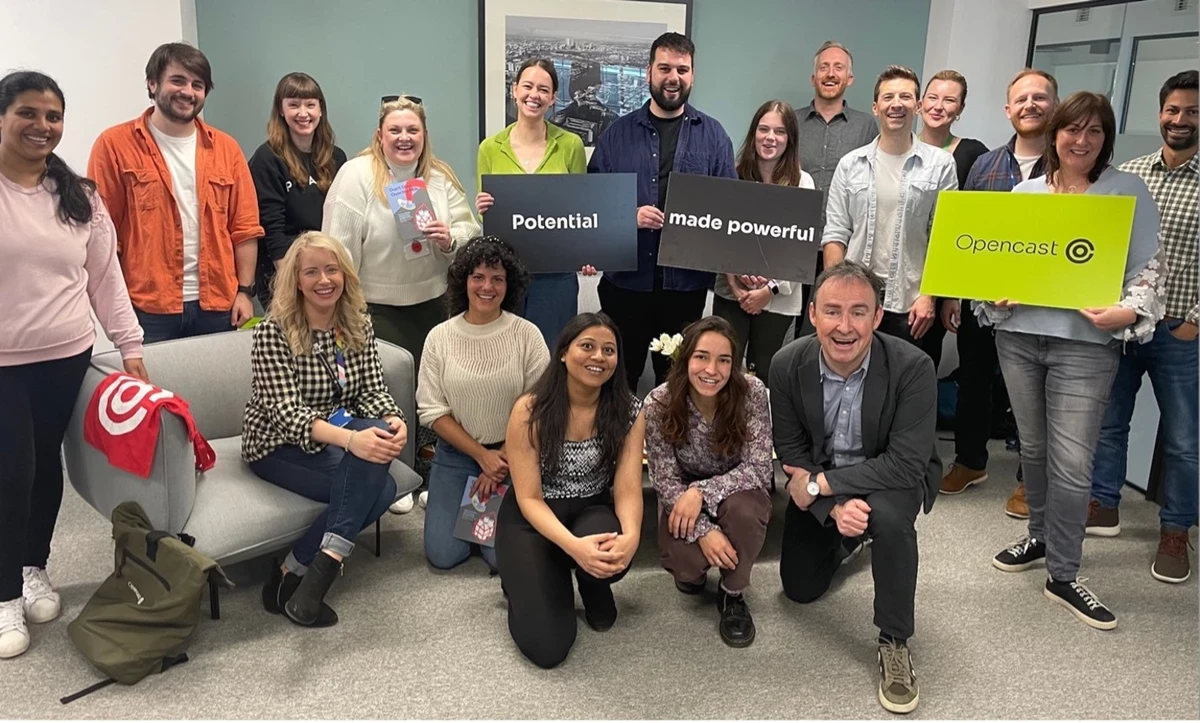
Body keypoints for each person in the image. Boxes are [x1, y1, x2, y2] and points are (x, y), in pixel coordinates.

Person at [984, 92, 1165, 631]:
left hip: (1085, 345)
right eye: (1072, 130)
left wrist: (1128, 311)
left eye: (1093, 131)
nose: (1081, 141)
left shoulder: (1126, 192)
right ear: (1055, 134)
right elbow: (1000, 263)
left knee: (1071, 461)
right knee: (1034, 449)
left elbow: (1150, 271)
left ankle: (1064, 573)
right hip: (1019, 338)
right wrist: (994, 292)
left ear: (1105, 139)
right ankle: (1040, 535)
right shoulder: (1025, 192)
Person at [0, 71, 147, 660]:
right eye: (28, 114)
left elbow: (106, 279)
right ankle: (5, 591)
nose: (42, 126)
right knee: (10, 472)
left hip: (66, 355)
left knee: (44, 471)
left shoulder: (79, 196)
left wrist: (129, 347)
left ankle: (34, 566)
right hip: (4, 362)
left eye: (53, 116)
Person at [769, 261, 940, 715]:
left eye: (859, 312)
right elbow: (789, 448)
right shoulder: (786, 364)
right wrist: (835, 506)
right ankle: (849, 540)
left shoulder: (913, 367)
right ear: (812, 314)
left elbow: (906, 464)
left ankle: (895, 641)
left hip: (893, 476)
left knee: (885, 517)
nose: (845, 327)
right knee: (800, 589)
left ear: (878, 317)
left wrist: (825, 485)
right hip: (825, 479)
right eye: (833, 312)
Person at [242, 231, 407, 628]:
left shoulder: (356, 323)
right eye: (311, 271)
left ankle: (294, 567)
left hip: (337, 431)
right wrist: (352, 439)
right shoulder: (273, 331)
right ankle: (316, 571)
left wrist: (393, 420)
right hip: (276, 443)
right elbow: (286, 413)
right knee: (378, 486)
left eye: (331, 269)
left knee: (380, 475)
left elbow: (372, 389)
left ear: (345, 274)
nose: (324, 280)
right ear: (295, 280)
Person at [323, 95, 480, 513]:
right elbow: (336, 251)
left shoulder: (440, 177)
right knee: (388, 394)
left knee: (433, 393)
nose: (404, 138)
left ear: (424, 135)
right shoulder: (356, 177)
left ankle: (431, 471)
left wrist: (450, 239)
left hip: (434, 302)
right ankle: (395, 475)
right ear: (380, 135)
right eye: (395, 130)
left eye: (413, 130)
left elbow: (471, 229)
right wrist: (343, 311)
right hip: (375, 305)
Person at [1087, 70, 1198, 584]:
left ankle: (1176, 530)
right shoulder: (1129, 175)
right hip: (1125, 326)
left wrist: (1196, 321)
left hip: (1181, 328)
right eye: (1173, 110)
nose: (1180, 120)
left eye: (1192, 111)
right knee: (1110, 423)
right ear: (1160, 113)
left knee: (1183, 439)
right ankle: (1103, 503)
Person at [938, 68, 1060, 517]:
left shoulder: (1068, 166)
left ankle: (1032, 481)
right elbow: (964, 235)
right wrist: (953, 294)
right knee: (973, 380)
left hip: (1041, 307)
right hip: (981, 301)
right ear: (1008, 110)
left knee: (1035, 391)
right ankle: (970, 461)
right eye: (1020, 99)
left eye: (1039, 98)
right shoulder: (985, 164)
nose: (1030, 105)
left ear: (1054, 105)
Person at [587, 32, 736, 394]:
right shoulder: (616, 134)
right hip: (626, 282)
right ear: (649, 71)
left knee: (678, 383)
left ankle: (668, 450)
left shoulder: (714, 137)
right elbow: (592, 204)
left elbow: (727, 210)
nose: (674, 77)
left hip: (684, 286)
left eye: (682, 70)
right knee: (620, 378)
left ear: (693, 75)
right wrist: (629, 216)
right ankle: (620, 447)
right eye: (665, 68)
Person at [496, 313, 645, 669]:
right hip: (533, 517)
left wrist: (633, 537)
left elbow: (627, 488)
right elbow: (529, 497)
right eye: (587, 346)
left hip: (590, 511)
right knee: (548, 648)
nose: (598, 357)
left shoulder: (629, 410)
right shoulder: (529, 410)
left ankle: (590, 582)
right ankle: (531, 579)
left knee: (612, 551)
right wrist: (574, 547)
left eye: (609, 350)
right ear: (563, 352)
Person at [88, 42, 263, 343]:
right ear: (152, 83)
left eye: (198, 85)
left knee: (216, 390)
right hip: (148, 307)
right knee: (154, 390)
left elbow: (244, 229)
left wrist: (245, 292)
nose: (188, 92)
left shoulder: (226, 149)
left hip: (218, 304)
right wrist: (116, 304)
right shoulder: (114, 145)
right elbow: (104, 235)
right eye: (178, 80)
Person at [418, 237, 548, 571]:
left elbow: (540, 405)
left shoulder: (527, 335)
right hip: (456, 455)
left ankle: (476, 514)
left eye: (497, 278)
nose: (487, 286)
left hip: (513, 454)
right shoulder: (439, 337)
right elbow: (432, 411)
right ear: (464, 280)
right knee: (444, 555)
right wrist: (482, 456)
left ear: (510, 284)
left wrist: (500, 459)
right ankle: (464, 508)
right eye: (478, 277)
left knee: (499, 558)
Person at [643, 316, 772, 648]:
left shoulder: (753, 393)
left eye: (724, 360)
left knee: (744, 512)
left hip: (737, 490)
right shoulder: (659, 402)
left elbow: (759, 469)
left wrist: (701, 492)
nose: (712, 370)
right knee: (685, 566)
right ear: (685, 359)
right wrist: (705, 531)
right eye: (702, 357)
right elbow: (663, 478)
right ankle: (697, 572)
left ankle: (732, 594)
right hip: (681, 496)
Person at [822, 65, 958, 368]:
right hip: (857, 302)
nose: (896, 103)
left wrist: (930, 297)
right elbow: (835, 232)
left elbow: (943, 236)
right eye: (888, 97)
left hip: (912, 305)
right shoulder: (850, 164)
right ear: (875, 107)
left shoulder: (940, 165)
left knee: (905, 389)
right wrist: (836, 293)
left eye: (905, 96)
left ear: (918, 106)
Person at [476, 59, 596, 347]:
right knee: (505, 355)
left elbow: (582, 210)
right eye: (527, 86)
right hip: (505, 273)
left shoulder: (571, 145)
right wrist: (483, 209)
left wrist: (589, 252)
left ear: (553, 98)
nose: (534, 95)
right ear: (514, 89)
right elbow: (486, 220)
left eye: (544, 89)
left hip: (556, 277)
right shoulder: (490, 148)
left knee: (553, 357)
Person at [712, 100, 816, 376]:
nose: (770, 138)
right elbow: (718, 235)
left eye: (780, 132)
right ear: (753, 133)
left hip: (779, 299)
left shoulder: (803, 183)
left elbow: (799, 248)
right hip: (730, 292)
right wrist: (735, 283)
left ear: (790, 138)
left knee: (766, 374)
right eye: (764, 129)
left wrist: (768, 290)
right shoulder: (732, 176)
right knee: (725, 370)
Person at [794, 40, 880, 319]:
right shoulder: (791, 123)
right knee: (787, 325)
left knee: (833, 320)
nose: (830, 73)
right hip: (794, 242)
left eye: (838, 68)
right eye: (824, 67)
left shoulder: (866, 126)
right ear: (813, 77)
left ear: (850, 78)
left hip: (843, 246)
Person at [248, 72, 348, 311]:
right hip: (284, 273)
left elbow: (343, 220)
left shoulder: (337, 157)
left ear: (321, 110)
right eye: (294, 105)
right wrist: (294, 284)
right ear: (281, 110)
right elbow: (271, 228)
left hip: (325, 273)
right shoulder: (267, 159)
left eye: (310, 105)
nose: (303, 113)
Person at [917, 70, 989, 189]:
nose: (938, 107)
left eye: (949, 100)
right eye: (932, 98)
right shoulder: (903, 149)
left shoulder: (975, 154)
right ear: (921, 103)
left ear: (960, 108)